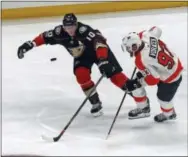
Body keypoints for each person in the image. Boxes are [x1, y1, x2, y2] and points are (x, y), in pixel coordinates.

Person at [17, 13, 148, 117]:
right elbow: (44, 37)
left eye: (72, 27)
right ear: (63, 26)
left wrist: (103, 60)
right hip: (82, 56)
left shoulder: (85, 31)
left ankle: (140, 100)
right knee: (81, 75)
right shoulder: (59, 33)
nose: (70, 30)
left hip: (99, 52)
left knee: (115, 77)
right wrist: (29, 45)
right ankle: (95, 102)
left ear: (76, 24)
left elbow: (99, 41)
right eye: (67, 27)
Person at [121, 26, 183, 122]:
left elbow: (153, 79)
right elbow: (157, 29)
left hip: (170, 77)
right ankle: (143, 108)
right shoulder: (146, 34)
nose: (128, 50)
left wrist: (136, 83)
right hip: (173, 64)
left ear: (134, 46)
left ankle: (169, 114)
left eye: (128, 47)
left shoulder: (141, 60)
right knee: (136, 80)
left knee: (163, 98)